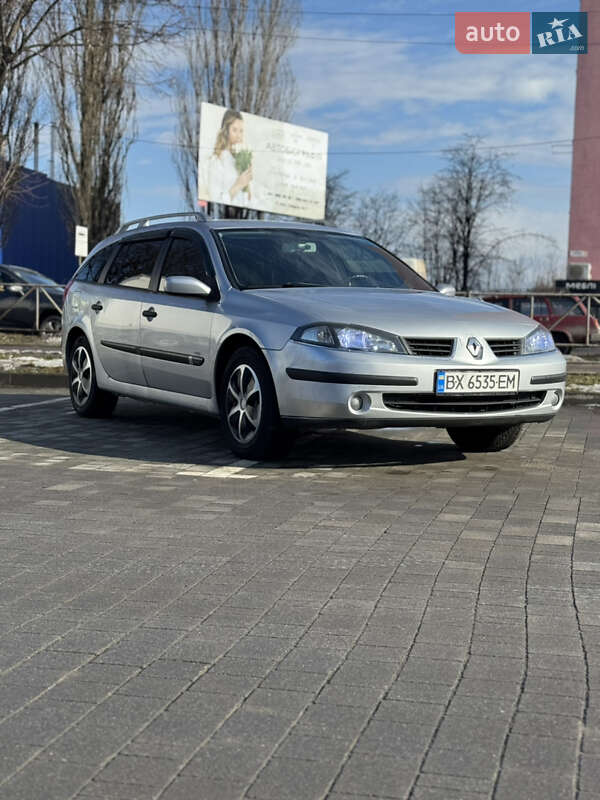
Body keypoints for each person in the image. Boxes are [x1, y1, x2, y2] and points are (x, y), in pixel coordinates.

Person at [207, 109, 252, 206]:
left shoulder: (239, 160)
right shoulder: (217, 160)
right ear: (226, 131)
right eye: (234, 130)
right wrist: (238, 185)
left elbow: (247, 199)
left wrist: (248, 188)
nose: (238, 135)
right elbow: (215, 199)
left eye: (241, 131)